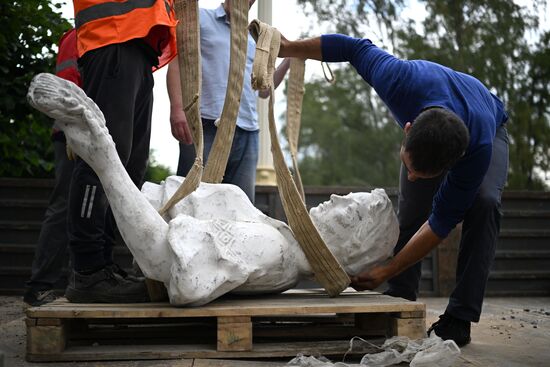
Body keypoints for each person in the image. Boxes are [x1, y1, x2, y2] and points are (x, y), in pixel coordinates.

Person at [28, 72, 399, 307]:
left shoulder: (272, 247)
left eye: (349, 211)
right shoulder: (279, 240)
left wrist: (106, 159)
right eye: (346, 196)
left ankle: (90, 273)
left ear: (350, 248)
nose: (334, 199)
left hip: (123, 198)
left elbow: (173, 265)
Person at [277, 33, 509, 346]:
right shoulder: (398, 79)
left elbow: (440, 224)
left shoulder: (476, 150)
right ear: (408, 128)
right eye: (408, 166)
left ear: (449, 167)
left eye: (421, 173)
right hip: (436, 116)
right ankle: (401, 295)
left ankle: (460, 316)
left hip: (490, 125)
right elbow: (352, 47)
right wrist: (289, 49)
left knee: (484, 203)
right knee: (412, 209)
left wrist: (385, 269)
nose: (411, 177)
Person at [64, 0, 178, 303]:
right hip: (112, 40)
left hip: (137, 49)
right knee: (101, 161)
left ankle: (105, 266)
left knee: (129, 168)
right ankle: (88, 270)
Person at [167, 0, 290, 203]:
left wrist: (289, 58)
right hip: (204, 125)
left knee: (239, 209)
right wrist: (178, 109)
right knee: (190, 203)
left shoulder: (255, 39)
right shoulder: (200, 18)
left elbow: (264, 91)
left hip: (247, 133)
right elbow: (177, 61)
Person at [23, 29, 80, 307]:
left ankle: (76, 282)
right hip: (74, 135)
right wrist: (72, 130)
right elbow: (67, 86)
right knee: (65, 206)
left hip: (80, 134)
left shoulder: (83, 35)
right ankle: (40, 285)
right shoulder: (80, 36)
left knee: (78, 207)